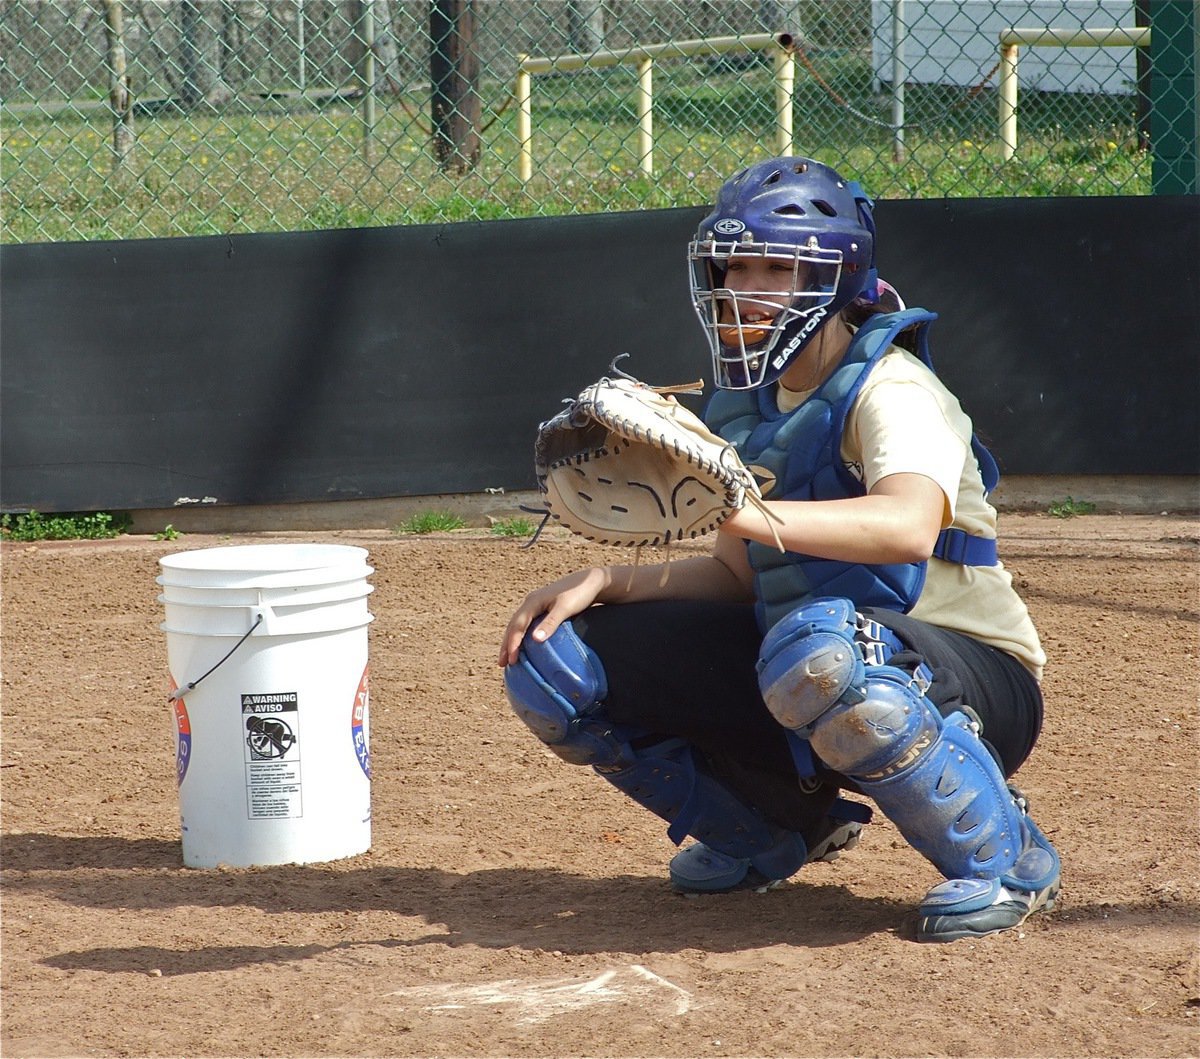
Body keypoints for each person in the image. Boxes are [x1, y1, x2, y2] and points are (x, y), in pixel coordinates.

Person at [498, 156, 1060, 943]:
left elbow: (906, 527)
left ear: (835, 279)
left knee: (816, 646)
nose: (746, 288)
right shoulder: (739, 403)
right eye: (734, 267)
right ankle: (770, 827)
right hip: (811, 666)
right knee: (554, 663)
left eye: (777, 267)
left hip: (972, 677)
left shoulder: (889, 386)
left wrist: (746, 508)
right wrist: (607, 579)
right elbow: (738, 575)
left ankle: (1011, 858)